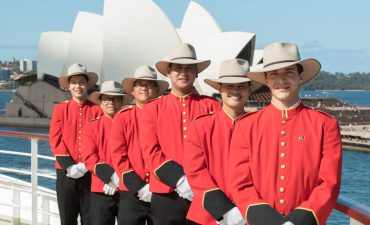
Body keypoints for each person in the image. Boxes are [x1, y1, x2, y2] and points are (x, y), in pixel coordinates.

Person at [228, 42, 342, 225]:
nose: (281, 80)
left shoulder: (325, 124)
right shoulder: (246, 126)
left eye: (288, 72)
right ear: (266, 79)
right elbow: (239, 183)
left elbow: (329, 183)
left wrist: (299, 220)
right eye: (274, 74)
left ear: (300, 76)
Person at [139, 43, 222, 225]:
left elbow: (220, 151)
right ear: (168, 72)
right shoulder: (153, 108)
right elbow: (150, 151)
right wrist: (179, 180)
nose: (183, 72)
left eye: (189, 68)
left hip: (205, 192)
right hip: (166, 192)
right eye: (178, 68)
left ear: (196, 72)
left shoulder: (212, 106)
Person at [183, 58, 260, 225]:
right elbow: (195, 172)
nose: (235, 91)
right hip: (206, 215)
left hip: (249, 214)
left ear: (250, 89)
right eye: (229, 86)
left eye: (241, 86)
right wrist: (223, 209)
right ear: (220, 88)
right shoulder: (200, 126)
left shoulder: (260, 126)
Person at [110, 65, 168, 225]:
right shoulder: (123, 118)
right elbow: (118, 156)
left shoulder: (166, 116)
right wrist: (139, 187)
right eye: (139, 84)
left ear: (156, 90)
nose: (144, 88)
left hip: (162, 191)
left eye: (149, 84)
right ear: (133, 91)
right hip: (131, 191)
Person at [49, 63, 102, 225]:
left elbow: (100, 140)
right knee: (67, 217)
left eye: (81, 82)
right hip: (66, 172)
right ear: (69, 86)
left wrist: (87, 165)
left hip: (90, 172)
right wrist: (69, 166)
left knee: (90, 218)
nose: (78, 86)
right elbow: (55, 139)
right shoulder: (60, 109)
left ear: (87, 85)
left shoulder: (97, 110)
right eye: (74, 82)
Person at [81, 81, 132, 225]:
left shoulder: (130, 124)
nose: (111, 102)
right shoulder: (91, 127)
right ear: (101, 103)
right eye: (107, 98)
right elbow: (89, 157)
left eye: (115, 98)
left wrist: (120, 178)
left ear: (121, 101)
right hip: (100, 188)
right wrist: (110, 176)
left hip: (126, 188)